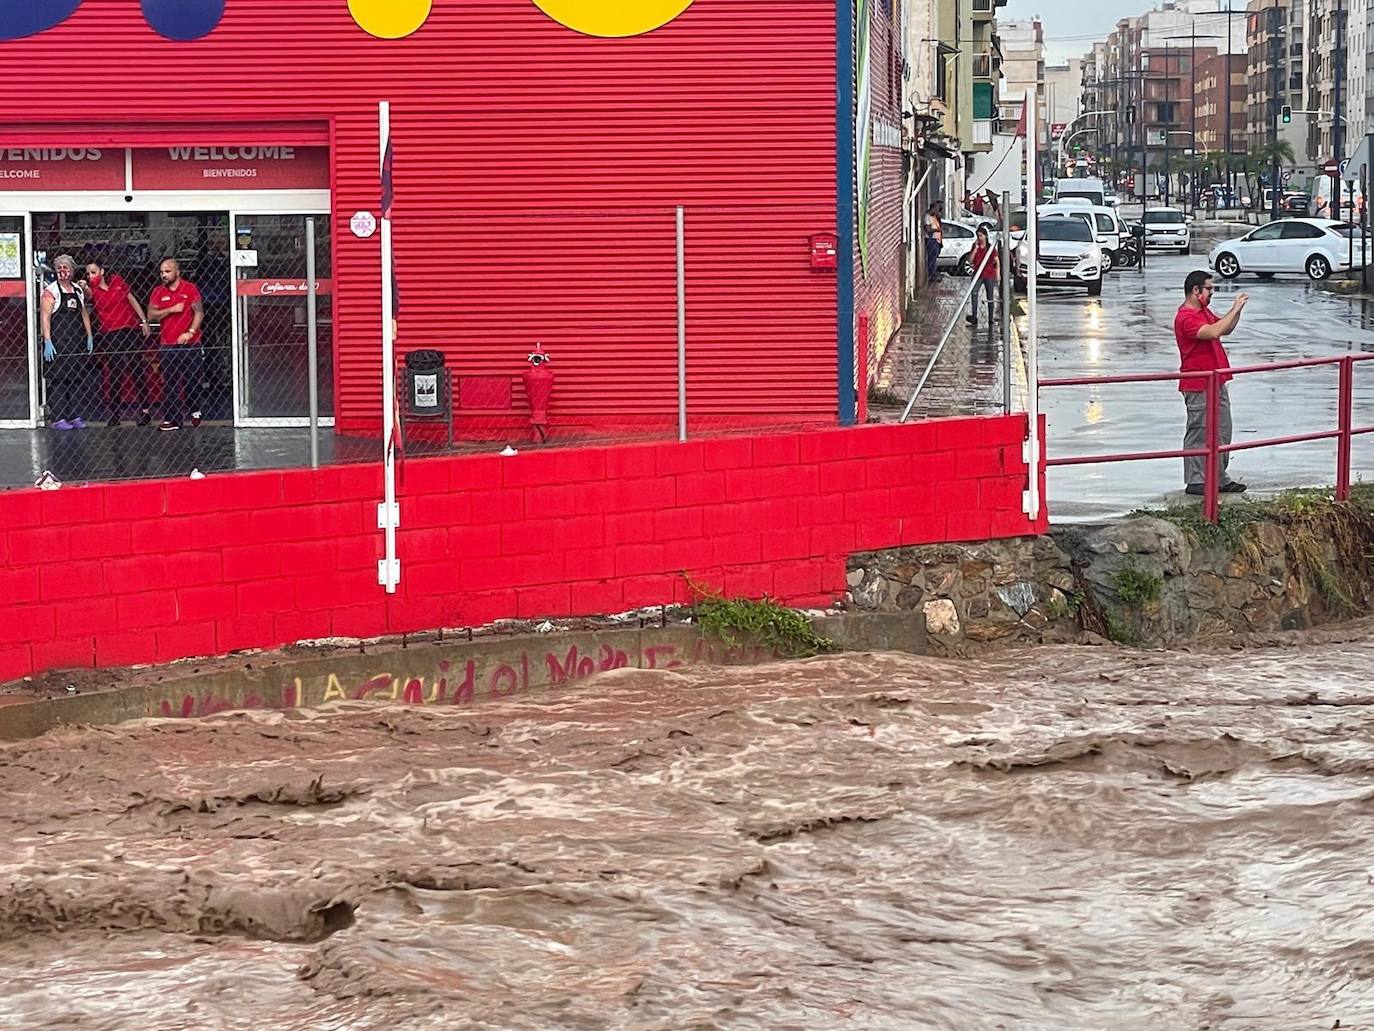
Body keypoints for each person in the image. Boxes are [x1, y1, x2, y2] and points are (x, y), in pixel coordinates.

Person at [1174, 269, 1248, 496]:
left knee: (1222, 430)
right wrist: (1234, 308)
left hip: (1217, 379)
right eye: (1209, 289)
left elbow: (1225, 328)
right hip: (1197, 383)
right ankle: (1196, 480)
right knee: (1200, 431)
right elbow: (1214, 332)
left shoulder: (1204, 312)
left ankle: (1218, 477)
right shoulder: (1185, 317)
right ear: (1196, 291)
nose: (1212, 293)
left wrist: (1237, 311)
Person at [85, 260, 152, 427]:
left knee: (137, 369)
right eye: (88, 274)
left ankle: (145, 411)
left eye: (93, 272)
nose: (90, 276)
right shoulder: (92, 289)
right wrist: (84, 286)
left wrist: (144, 321)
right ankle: (115, 414)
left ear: (102, 270)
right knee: (115, 373)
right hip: (110, 333)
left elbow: (132, 299)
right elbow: (87, 295)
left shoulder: (117, 280)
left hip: (130, 329)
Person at [146, 258, 204, 431]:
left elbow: (199, 312)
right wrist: (171, 309)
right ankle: (172, 419)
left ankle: (194, 408)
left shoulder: (190, 288)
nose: (164, 275)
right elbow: (151, 315)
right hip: (168, 344)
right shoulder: (158, 291)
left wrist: (190, 332)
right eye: (162, 272)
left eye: (168, 271)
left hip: (191, 343)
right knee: (170, 382)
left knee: (192, 380)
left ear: (177, 272)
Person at [40, 254, 93, 430]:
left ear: (72, 270)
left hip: (76, 343)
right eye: (59, 268)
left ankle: (75, 416)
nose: (63, 271)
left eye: (66, 267)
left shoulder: (78, 290)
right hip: (58, 343)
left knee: (76, 380)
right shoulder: (51, 291)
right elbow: (45, 316)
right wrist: (47, 340)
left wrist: (89, 335)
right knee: (58, 381)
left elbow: (84, 313)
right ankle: (59, 418)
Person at [964, 226, 998, 328]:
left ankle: (991, 318)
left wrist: (998, 273)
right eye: (978, 236)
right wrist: (975, 249)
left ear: (985, 236)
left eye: (981, 236)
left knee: (990, 296)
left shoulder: (990, 248)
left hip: (988, 274)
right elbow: (970, 261)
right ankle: (974, 316)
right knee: (974, 293)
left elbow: (996, 261)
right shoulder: (975, 247)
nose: (979, 238)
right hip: (977, 274)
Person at [923, 203, 943, 284]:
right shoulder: (927, 217)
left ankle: (933, 273)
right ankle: (931, 275)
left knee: (934, 258)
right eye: (936, 209)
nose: (937, 211)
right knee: (931, 258)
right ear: (933, 208)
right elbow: (928, 229)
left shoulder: (934, 217)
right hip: (931, 240)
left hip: (936, 240)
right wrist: (937, 230)